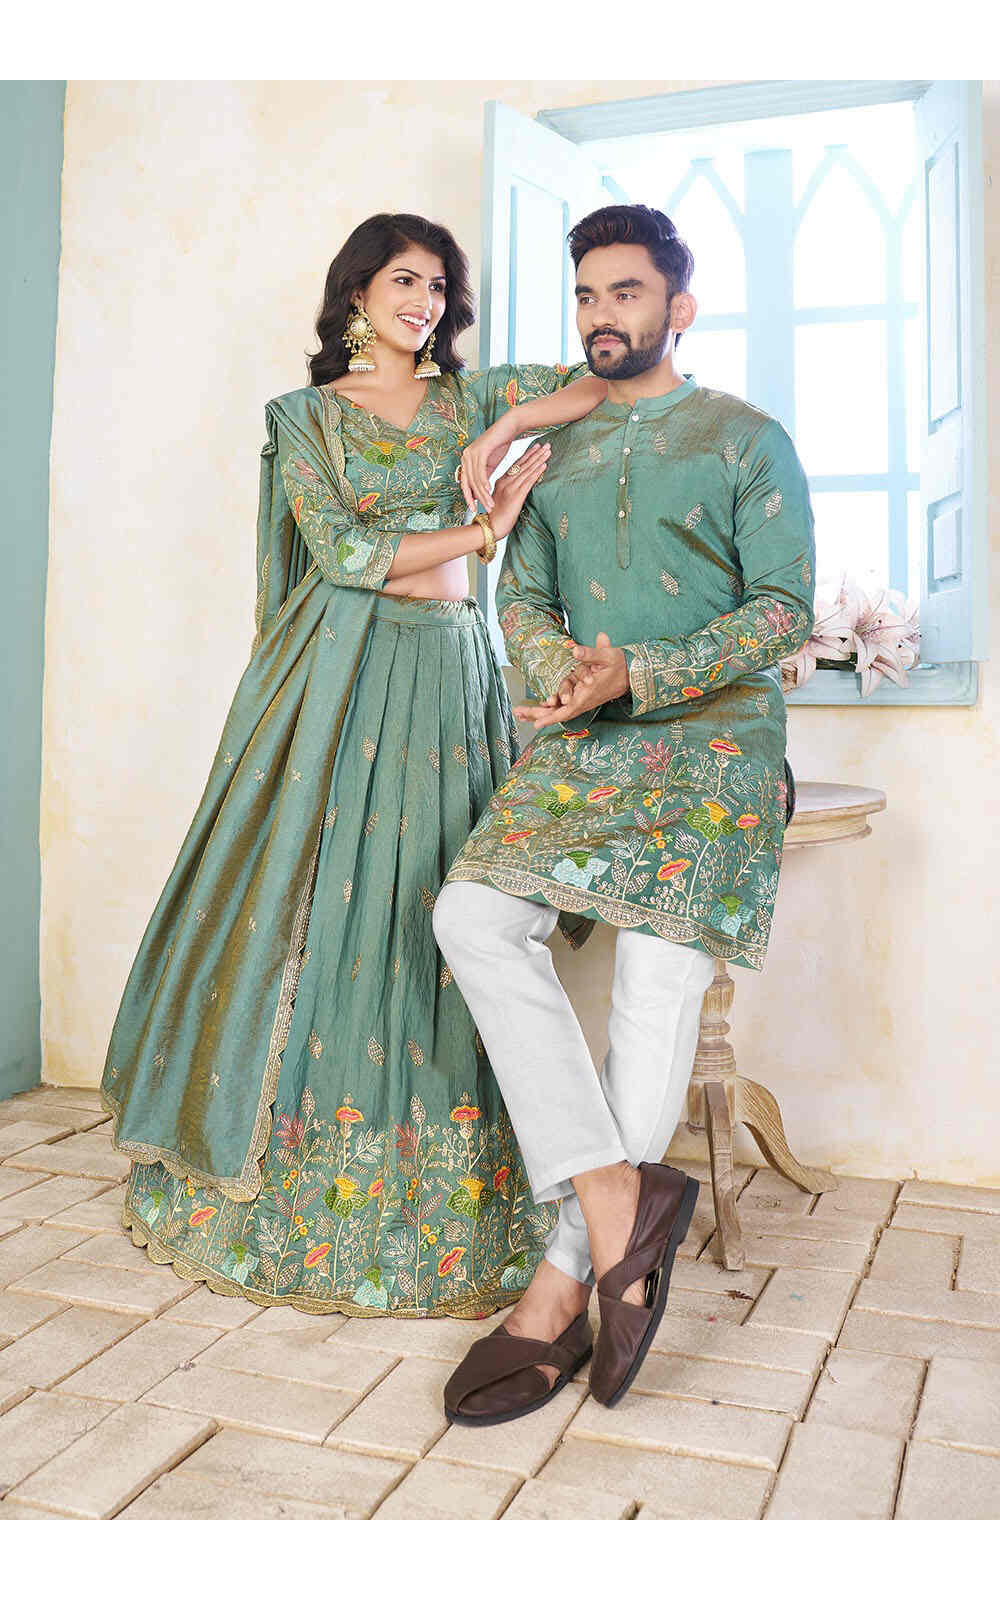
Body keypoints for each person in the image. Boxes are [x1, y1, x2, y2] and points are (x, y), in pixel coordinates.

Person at [100, 212, 607, 1318]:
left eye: (439, 286)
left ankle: (470, 1188)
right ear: (357, 294)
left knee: (445, 907)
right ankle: (302, 1176)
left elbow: (595, 378)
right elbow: (342, 553)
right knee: (333, 905)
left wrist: (507, 422)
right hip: (342, 673)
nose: (424, 302)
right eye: (404, 280)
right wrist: (484, 529)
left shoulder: (467, 401)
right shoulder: (304, 418)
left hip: (452, 674)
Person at [433, 203, 816, 1418]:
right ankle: (616, 1199)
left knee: (654, 974)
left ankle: (560, 1286)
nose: (603, 315)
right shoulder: (559, 448)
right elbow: (522, 596)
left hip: (714, 743)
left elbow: (783, 609)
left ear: (678, 307)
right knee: (470, 916)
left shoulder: (745, 437)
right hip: (588, 741)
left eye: (627, 293)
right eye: (588, 295)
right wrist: (565, 672)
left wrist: (640, 673)